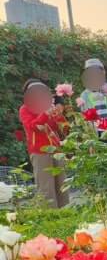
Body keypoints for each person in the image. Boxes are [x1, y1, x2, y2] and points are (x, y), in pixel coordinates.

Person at [18, 79, 69, 208]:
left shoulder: (49, 106)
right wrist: (45, 114)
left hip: (57, 150)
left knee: (63, 186)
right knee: (46, 189)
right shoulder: (25, 109)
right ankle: (51, 219)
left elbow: (63, 128)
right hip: (40, 152)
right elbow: (33, 126)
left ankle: (67, 215)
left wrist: (59, 115)